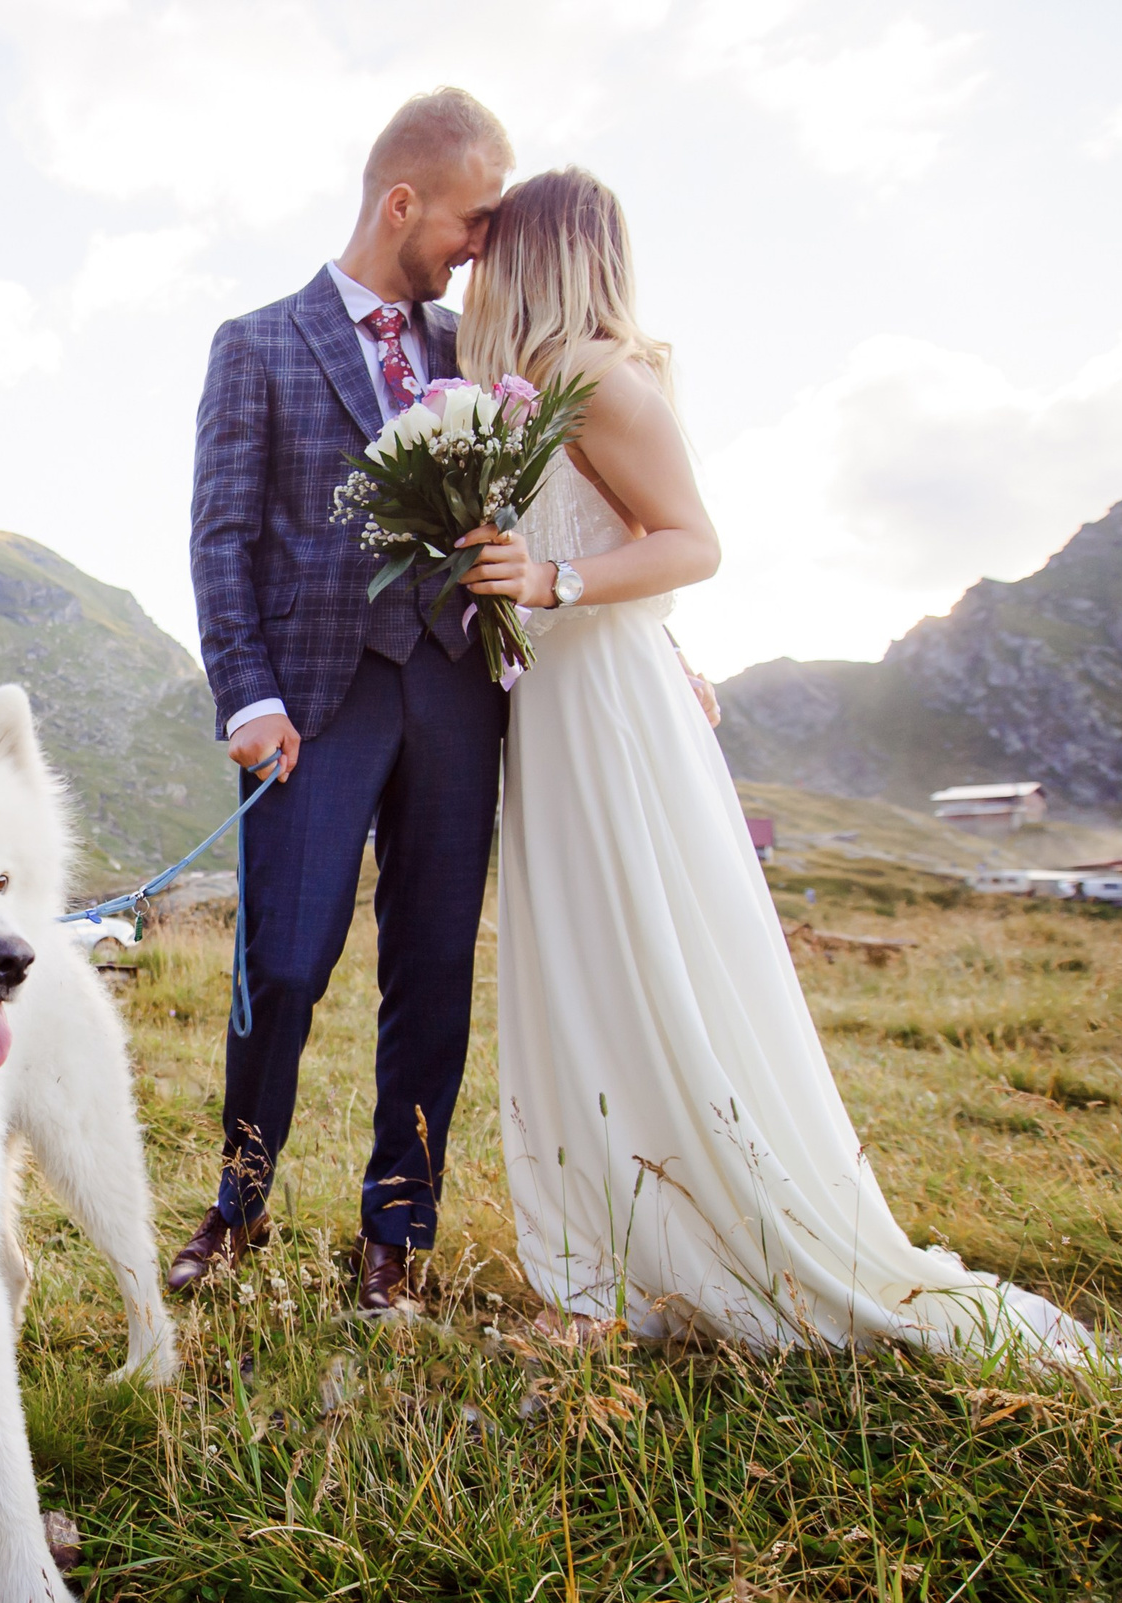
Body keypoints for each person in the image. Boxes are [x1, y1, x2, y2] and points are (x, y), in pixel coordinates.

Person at [453, 168, 1086, 1355]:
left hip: (602, 700)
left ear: (537, 252)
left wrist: (549, 580)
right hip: (559, 700)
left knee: (635, 957)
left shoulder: (598, 374)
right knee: (582, 967)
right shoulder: (528, 387)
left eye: (493, 245)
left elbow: (693, 542)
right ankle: (608, 1263)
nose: (475, 265)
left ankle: (657, 1255)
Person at [178, 89, 512, 1314]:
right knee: (284, 960)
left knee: (432, 968)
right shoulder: (257, 344)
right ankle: (240, 1203)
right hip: (312, 704)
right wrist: (247, 697)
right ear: (402, 203)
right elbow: (221, 538)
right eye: (472, 220)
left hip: (456, 694)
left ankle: (397, 1233)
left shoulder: (478, 351)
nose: (480, 246)